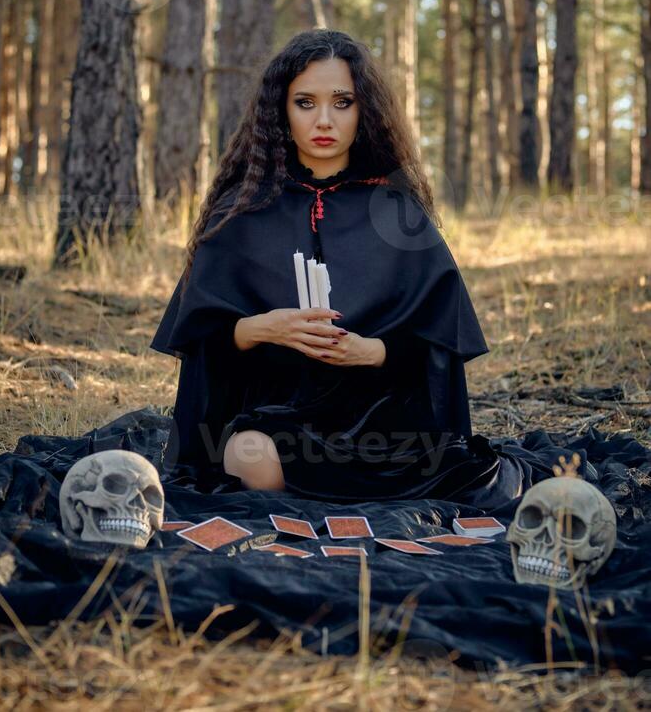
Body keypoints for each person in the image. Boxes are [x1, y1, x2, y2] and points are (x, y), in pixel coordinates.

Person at [150, 29, 528, 506]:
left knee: (462, 477)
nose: (323, 120)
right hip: (276, 413)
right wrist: (262, 328)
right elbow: (202, 340)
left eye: (342, 102)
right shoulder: (243, 210)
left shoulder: (397, 212)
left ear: (363, 110)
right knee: (253, 459)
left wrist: (372, 352)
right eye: (305, 103)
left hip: (380, 422)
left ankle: (347, 498)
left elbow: (440, 344)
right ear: (281, 112)